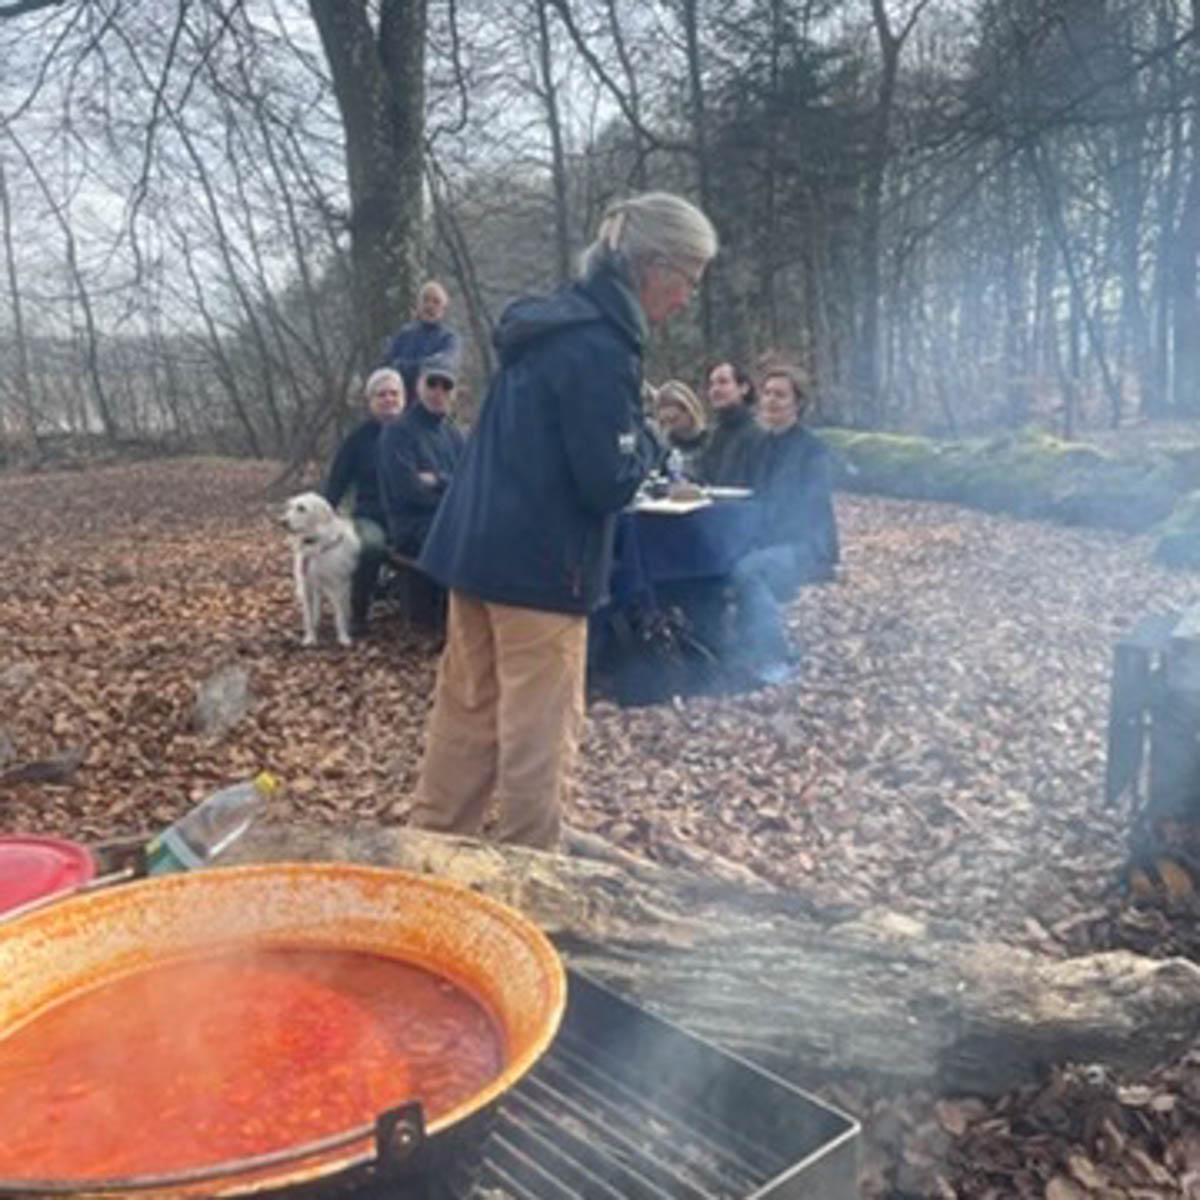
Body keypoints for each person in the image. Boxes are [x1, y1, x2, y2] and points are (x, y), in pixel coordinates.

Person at [412, 191, 718, 849]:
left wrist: (632, 418)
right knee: (539, 742)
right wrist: (659, 436)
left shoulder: (552, 324)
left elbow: (558, 439)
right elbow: (607, 482)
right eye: (688, 279)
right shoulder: (602, 346)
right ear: (652, 265)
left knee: (465, 721)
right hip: (542, 571)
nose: (687, 296)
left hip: (475, 556)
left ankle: (432, 862)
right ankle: (533, 885)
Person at [730, 364, 838, 684]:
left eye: (781, 395)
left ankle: (778, 658)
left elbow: (808, 509)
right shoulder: (760, 445)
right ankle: (728, 653)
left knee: (748, 570)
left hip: (805, 545)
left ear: (798, 403)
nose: (772, 401)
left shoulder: (812, 449)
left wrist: (764, 538)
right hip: (767, 538)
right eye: (767, 394)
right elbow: (747, 494)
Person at [323, 368, 405, 636]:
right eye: (381, 395)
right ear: (370, 401)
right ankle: (358, 610)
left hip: (413, 515)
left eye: (394, 393)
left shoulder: (415, 432)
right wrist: (321, 522)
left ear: (403, 397)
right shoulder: (358, 440)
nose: (389, 399)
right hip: (371, 516)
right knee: (370, 546)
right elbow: (336, 484)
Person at [378, 354, 466, 557]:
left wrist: (437, 480)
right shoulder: (397, 432)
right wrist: (455, 493)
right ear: (418, 386)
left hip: (455, 518)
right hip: (413, 528)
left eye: (446, 386)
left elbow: (471, 484)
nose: (438, 392)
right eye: (432, 383)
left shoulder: (455, 435)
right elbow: (408, 492)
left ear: (453, 393)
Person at [379, 280, 462, 398]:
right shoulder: (404, 335)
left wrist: (405, 367)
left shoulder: (449, 338)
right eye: (425, 300)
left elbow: (442, 365)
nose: (430, 306)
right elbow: (386, 365)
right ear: (418, 305)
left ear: (444, 309)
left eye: (436, 302)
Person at [696, 360, 763, 487]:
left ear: (744, 388)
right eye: (712, 384)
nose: (715, 389)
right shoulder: (711, 437)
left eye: (723, 382)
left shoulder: (758, 435)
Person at [654, 379, 708, 480]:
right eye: (664, 422)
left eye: (674, 419)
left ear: (690, 412)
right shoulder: (664, 450)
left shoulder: (712, 443)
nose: (670, 427)